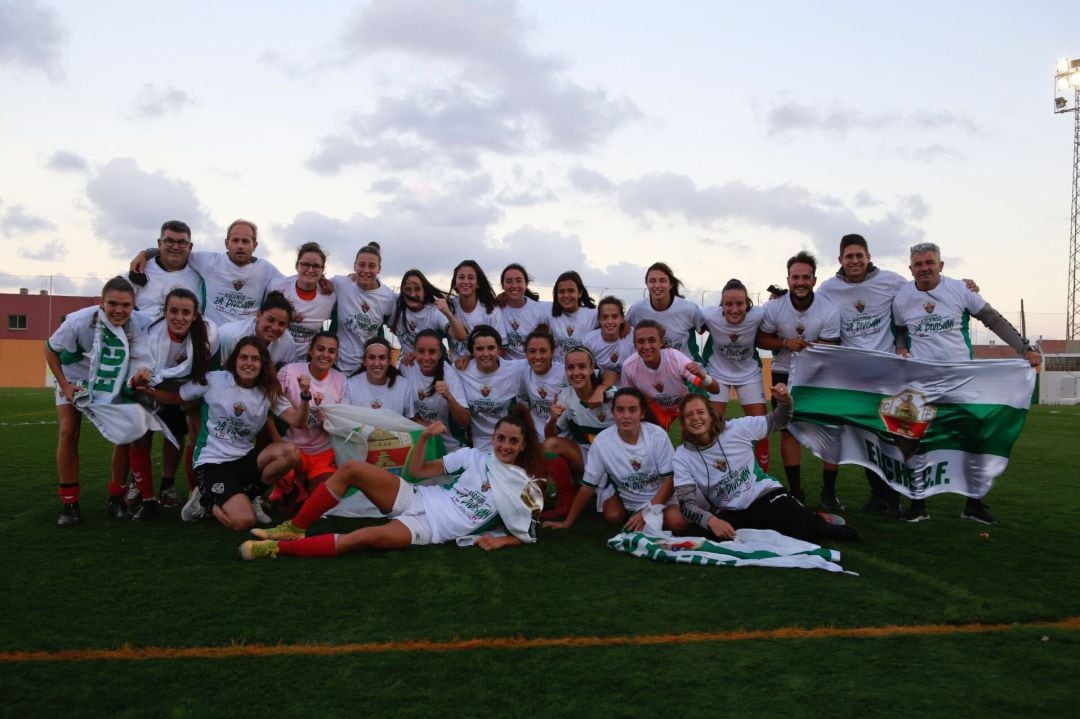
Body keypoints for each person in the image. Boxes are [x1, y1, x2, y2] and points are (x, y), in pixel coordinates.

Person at [240, 407, 546, 559]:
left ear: (522, 446)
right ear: (492, 438)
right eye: (500, 438)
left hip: (431, 529)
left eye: (512, 441)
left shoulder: (525, 486)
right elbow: (416, 472)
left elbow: (528, 531)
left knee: (361, 538)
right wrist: (424, 436)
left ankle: (275, 548)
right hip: (419, 498)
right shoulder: (473, 457)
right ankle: (295, 527)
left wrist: (502, 541)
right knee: (350, 469)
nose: (504, 445)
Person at [892, 242, 1041, 524]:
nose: (924, 268)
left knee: (973, 440)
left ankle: (973, 503)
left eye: (929, 262)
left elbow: (992, 320)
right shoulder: (902, 298)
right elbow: (899, 329)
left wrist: (1024, 348)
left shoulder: (960, 290)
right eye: (918, 264)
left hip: (961, 381)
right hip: (921, 384)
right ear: (910, 268)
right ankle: (917, 504)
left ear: (941, 265)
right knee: (912, 441)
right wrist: (901, 346)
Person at [161, 337, 311, 531]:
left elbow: (298, 421)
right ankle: (205, 502)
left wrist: (305, 396)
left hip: (243, 461)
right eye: (244, 358)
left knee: (290, 452)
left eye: (255, 359)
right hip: (212, 464)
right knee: (244, 522)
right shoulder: (214, 379)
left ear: (262, 363)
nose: (249, 363)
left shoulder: (268, 390)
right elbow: (176, 396)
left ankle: (251, 496)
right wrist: (145, 390)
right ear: (235, 360)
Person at [673, 393, 858, 543]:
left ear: (711, 415)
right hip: (732, 512)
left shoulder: (737, 429)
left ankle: (818, 519)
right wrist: (712, 521)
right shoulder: (681, 456)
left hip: (765, 496)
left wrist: (785, 401)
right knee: (694, 537)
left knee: (810, 532)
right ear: (683, 422)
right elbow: (686, 504)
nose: (695, 418)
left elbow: (779, 420)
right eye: (689, 415)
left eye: (700, 412)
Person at [817, 234, 908, 516]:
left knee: (889, 438)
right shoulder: (828, 288)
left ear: (868, 257)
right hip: (853, 380)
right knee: (865, 440)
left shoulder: (892, 281)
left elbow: (920, 293)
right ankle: (878, 495)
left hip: (886, 376)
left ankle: (894, 497)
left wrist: (963, 285)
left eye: (859, 256)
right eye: (849, 257)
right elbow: (809, 307)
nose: (854, 261)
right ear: (840, 260)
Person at [47, 277, 149, 527]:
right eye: (112, 303)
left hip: (108, 378)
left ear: (133, 305)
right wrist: (65, 386)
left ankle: (116, 498)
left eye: (125, 305)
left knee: (124, 433)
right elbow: (50, 350)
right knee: (69, 432)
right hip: (74, 375)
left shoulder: (137, 323)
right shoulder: (79, 322)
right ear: (101, 303)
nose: (119, 310)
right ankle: (69, 503)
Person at [756, 251, 841, 509]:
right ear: (788, 279)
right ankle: (795, 492)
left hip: (819, 375)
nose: (800, 282)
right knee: (789, 432)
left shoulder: (828, 308)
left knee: (829, 433)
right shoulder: (774, 307)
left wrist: (808, 347)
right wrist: (784, 342)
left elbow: (831, 346)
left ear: (814, 280)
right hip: (784, 373)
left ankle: (829, 492)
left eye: (806, 277)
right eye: (795, 277)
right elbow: (760, 339)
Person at [544, 387, 688, 533]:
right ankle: (616, 497)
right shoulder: (602, 441)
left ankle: (645, 515)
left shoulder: (657, 435)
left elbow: (670, 480)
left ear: (642, 413)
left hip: (659, 497)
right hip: (629, 499)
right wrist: (567, 522)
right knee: (613, 516)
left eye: (632, 410)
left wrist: (648, 512)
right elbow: (587, 487)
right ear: (613, 413)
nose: (626, 415)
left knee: (677, 523)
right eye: (620, 410)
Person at [126, 288, 217, 517]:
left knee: (184, 432)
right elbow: (138, 377)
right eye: (173, 311)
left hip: (187, 385)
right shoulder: (150, 335)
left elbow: (199, 373)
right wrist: (142, 382)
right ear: (164, 312)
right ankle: (145, 494)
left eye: (186, 312)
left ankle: (178, 487)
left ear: (195, 315)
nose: (179, 317)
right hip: (150, 384)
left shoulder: (209, 334)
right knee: (139, 434)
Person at [131, 219, 283, 325]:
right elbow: (176, 251)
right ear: (226, 243)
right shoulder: (208, 262)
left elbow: (292, 285)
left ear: (255, 245)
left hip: (247, 341)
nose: (240, 246)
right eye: (235, 240)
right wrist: (145, 254)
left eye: (245, 241)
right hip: (212, 338)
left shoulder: (266, 270)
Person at [270, 331, 348, 510]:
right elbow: (272, 406)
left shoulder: (341, 380)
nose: (325, 355)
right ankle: (292, 481)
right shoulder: (289, 371)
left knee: (322, 504)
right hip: (292, 449)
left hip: (322, 451)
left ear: (336, 356)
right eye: (320, 349)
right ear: (310, 350)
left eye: (331, 351)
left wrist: (327, 421)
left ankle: (305, 481)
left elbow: (342, 419)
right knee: (284, 507)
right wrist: (278, 441)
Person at [700, 279, 771, 471]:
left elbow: (779, 311)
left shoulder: (758, 314)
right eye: (728, 304)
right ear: (721, 305)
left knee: (761, 428)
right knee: (711, 428)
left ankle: (762, 478)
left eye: (739, 303)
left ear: (747, 303)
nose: (734, 309)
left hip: (749, 374)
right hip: (716, 373)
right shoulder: (709, 315)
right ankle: (714, 474)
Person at [543, 347, 616, 518]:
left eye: (582, 367)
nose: (576, 372)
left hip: (614, 460)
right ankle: (567, 496)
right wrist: (553, 418)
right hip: (586, 458)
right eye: (570, 368)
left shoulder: (611, 395)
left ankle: (602, 489)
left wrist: (600, 390)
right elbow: (549, 436)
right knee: (549, 445)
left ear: (592, 369)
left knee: (613, 516)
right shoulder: (566, 396)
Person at [620, 320, 718, 430]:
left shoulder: (676, 359)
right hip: (656, 408)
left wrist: (703, 376)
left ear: (661, 342)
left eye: (652, 340)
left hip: (684, 403)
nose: (646, 346)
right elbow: (626, 399)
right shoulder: (628, 367)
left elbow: (715, 389)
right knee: (652, 439)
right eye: (641, 341)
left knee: (699, 435)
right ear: (635, 344)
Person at [445, 325, 524, 450]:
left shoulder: (515, 369)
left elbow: (538, 360)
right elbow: (439, 365)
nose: (486, 353)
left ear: (498, 349)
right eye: (479, 349)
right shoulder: (459, 370)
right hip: (478, 441)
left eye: (491, 348)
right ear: (472, 351)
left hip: (507, 439)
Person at [331, 242, 396, 374]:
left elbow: (396, 328)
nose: (366, 270)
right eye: (361, 265)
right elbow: (317, 286)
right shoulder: (340, 284)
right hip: (336, 366)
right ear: (354, 266)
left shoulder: (388, 298)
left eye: (372, 266)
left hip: (367, 369)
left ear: (379, 269)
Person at [267, 242, 337, 359]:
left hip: (305, 362)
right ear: (297, 265)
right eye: (305, 264)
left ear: (322, 269)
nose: (310, 270)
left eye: (316, 266)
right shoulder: (277, 286)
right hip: (273, 357)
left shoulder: (330, 296)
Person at [400, 329, 464, 450]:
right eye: (420, 351)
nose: (426, 357)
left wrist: (448, 397)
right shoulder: (407, 366)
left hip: (450, 447)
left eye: (432, 352)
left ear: (440, 353)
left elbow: (464, 422)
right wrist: (426, 426)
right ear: (413, 351)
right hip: (420, 441)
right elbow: (408, 413)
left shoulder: (449, 375)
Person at [626, 262, 704, 360]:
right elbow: (623, 329)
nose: (657, 285)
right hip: (652, 366)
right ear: (647, 284)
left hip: (687, 366)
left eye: (663, 281)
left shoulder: (689, 308)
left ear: (671, 284)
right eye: (652, 281)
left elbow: (704, 329)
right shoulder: (637, 309)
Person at [128, 220, 203, 320]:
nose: (175, 247)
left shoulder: (201, 273)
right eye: (169, 241)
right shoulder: (140, 269)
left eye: (182, 242)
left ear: (190, 246)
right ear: (159, 243)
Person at [388, 268, 466, 363]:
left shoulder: (434, 312)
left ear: (424, 291)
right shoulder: (397, 305)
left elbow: (461, 336)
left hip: (435, 370)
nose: (412, 294)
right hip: (409, 369)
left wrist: (448, 314)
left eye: (417, 289)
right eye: (408, 290)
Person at [216, 291, 298, 369]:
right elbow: (214, 371)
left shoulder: (287, 341)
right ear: (259, 315)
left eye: (282, 324)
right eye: (270, 320)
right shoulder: (230, 336)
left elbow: (289, 373)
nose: (275, 328)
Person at [447, 260, 505, 361]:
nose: (465, 281)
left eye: (471, 278)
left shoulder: (491, 310)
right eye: (461, 277)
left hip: (484, 369)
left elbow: (502, 348)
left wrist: (471, 360)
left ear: (478, 283)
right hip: (456, 370)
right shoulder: (448, 307)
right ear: (455, 283)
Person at [344, 337, 411, 415]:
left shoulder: (403, 386)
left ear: (389, 361)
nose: (376, 363)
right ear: (364, 361)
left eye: (382, 358)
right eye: (371, 357)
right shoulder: (350, 385)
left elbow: (410, 420)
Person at [499, 263, 552, 360]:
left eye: (519, 281)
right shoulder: (497, 309)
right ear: (503, 285)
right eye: (509, 281)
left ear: (526, 284)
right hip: (506, 368)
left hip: (532, 366)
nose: (514, 285)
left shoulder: (540, 310)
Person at [549, 270, 597, 361]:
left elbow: (615, 319)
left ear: (579, 293)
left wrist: (623, 326)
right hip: (559, 370)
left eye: (571, 291)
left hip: (583, 371)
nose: (566, 295)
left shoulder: (594, 314)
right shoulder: (549, 313)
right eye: (561, 292)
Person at [583, 295, 635, 381]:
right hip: (603, 386)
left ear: (622, 318)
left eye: (614, 317)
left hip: (629, 387)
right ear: (599, 319)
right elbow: (587, 371)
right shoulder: (590, 341)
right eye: (605, 317)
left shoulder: (633, 336)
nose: (610, 322)